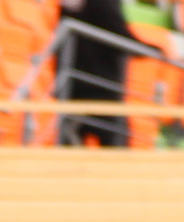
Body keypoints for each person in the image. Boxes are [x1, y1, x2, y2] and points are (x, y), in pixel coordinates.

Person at [56, 0, 131, 146]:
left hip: (76, 81)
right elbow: (114, 27)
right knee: (114, 141)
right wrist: (146, 48)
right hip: (99, 85)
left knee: (72, 137)